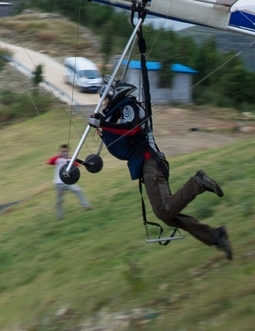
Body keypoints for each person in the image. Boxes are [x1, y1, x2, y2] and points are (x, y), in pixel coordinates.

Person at [92, 86, 233, 259]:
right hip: (150, 166)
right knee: (168, 217)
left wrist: (102, 123)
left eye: (105, 99)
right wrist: (102, 120)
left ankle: (198, 183)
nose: (104, 103)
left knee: (163, 211)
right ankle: (215, 236)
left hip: (151, 163)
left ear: (113, 95)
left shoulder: (129, 107)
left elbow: (132, 128)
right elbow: (114, 126)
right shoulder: (122, 110)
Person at [46, 144, 91, 219]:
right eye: (63, 151)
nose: (64, 153)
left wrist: (71, 158)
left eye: (66, 151)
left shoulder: (70, 160)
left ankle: (86, 206)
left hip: (68, 182)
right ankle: (60, 217)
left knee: (78, 190)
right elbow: (49, 161)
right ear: (60, 151)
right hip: (58, 183)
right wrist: (59, 156)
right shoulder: (57, 159)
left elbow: (77, 166)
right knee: (59, 200)